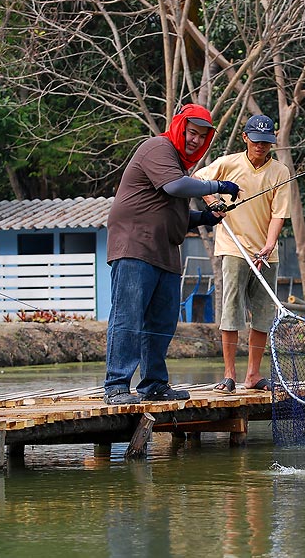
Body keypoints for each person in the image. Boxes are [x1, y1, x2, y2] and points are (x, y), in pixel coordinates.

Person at [103, 104, 242, 405]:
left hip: (164, 251)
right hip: (135, 247)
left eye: (201, 136)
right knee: (129, 315)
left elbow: (173, 213)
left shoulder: (180, 166)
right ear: (180, 127)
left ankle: (153, 384)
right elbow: (176, 186)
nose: (195, 140)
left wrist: (205, 218)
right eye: (192, 132)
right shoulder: (158, 147)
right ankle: (116, 386)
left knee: (162, 321)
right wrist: (216, 185)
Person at [194, 114, 291, 394]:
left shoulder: (280, 172)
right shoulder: (228, 163)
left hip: (265, 253)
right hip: (233, 247)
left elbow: (278, 214)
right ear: (245, 138)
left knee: (262, 314)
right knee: (232, 311)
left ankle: (252, 375)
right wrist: (214, 203)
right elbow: (198, 178)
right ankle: (228, 376)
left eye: (266, 141)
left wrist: (270, 244)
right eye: (256, 140)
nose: (261, 146)